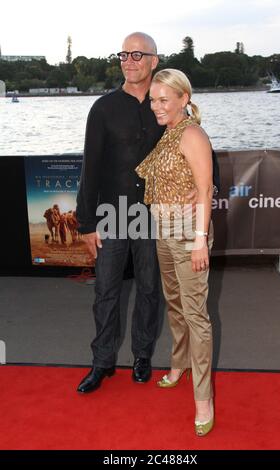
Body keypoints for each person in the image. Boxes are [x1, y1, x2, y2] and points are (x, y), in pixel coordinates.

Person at [75, 32, 166, 393]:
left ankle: (142, 356)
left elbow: (195, 145)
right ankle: (102, 362)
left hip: (153, 214)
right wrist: (86, 223)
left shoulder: (167, 102)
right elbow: (90, 167)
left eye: (137, 54)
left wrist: (212, 186)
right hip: (112, 213)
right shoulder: (103, 108)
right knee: (106, 292)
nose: (129, 61)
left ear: (154, 61)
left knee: (148, 289)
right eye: (124, 54)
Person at [136, 69, 215, 436]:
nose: (156, 106)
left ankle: (204, 399)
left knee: (196, 314)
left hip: (188, 236)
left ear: (184, 99)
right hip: (164, 233)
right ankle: (178, 364)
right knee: (175, 303)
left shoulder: (193, 134)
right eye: (153, 99)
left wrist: (200, 240)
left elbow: (205, 189)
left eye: (164, 99)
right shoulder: (167, 133)